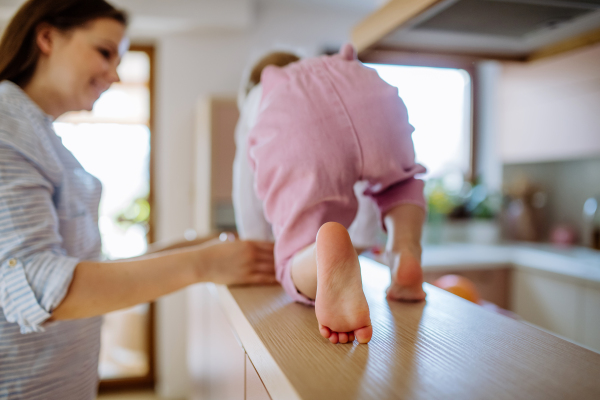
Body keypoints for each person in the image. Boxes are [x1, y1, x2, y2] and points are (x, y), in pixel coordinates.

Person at [0, 0, 275, 398]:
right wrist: (203, 263)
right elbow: (43, 289)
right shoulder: (8, 125)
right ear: (46, 38)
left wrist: (191, 246)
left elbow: (77, 270)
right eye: (104, 52)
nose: (114, 74)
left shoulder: (35, 132)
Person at [246, 44, 427, 345]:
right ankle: (406, 251)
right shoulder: (333, 64)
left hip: (298, 124)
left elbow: (248, 195)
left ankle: (319, 258)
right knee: (401, 183)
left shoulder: (260, 96)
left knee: (294, 256)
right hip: (367, 90)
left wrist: (256, 242)